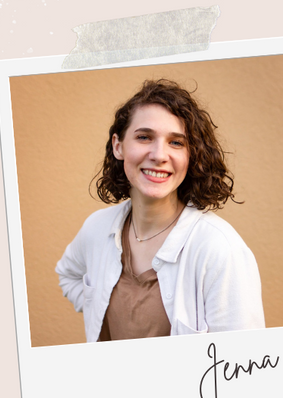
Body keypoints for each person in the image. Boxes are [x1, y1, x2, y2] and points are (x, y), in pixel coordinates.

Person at [55, 79, 265, 342]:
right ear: (118, 146)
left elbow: (241, 359)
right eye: (144, 137)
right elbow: (68, 274)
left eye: (176, 143)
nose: (159, 155)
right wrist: (97, 305)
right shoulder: (96, 227)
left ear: (192, 155)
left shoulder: (219, 248)